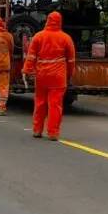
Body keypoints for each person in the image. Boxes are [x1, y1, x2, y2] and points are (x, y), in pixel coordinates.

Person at [22, 11, 76, 141]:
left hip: (41, 76)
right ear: (60, 22)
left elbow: (31, 57)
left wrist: (27, 70)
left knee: (40, 103)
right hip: (58, 77)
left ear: (47, 21)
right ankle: (53, 133)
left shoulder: (38, 37)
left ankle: (37, 130)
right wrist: (69, 75)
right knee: (55, 105)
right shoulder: (66, 38)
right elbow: (71, 60)